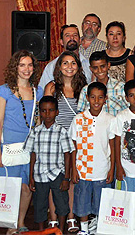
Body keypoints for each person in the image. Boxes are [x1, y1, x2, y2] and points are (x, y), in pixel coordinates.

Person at [0, 50, 43, 234]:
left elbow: (37, 123)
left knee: (27, 187)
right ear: (15, 67)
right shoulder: (4, 90)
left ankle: (20, 222)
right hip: (9, 147)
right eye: (22, 65)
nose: (26, 69)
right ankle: (10, 225)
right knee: (9, 188)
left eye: (30, 65)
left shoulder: (38, 91)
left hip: (29, 149)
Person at [43, 50, 87, 231]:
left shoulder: (83, 88)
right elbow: (44, 115)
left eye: (73, 63)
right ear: (59, 67)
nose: (69, 67)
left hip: (77, 142)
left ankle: (70, 218)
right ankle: (53, 218)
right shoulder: (52, 87)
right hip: (55, 141)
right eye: (65, 63)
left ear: (78, 66)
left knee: (70, 180)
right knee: (54, 181)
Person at [69, 82, 115, 235]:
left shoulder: (110, 119)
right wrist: (74, 170)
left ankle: (99, 228)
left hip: (103, 169)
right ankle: (84, 230)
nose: (96, 101)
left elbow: (112, 146)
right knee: (82, 201)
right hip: (83, 170)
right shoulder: (78, 119)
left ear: (105, 99)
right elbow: (73, 147)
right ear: (87, 98)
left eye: (100, 97)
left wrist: (112, 169)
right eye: (93, 97)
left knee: (102, 202)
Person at [24, 96, 73, 231]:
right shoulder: (35, 131)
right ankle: (41, 230)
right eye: (44, 111)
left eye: (51, 110)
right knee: (40, 204)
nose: (47, 114)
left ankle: (60, 230)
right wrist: (31, 177)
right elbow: (32, 154)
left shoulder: (61, 132)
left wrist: (66, 178)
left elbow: (67, 155)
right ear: (40, 112)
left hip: (57, 174)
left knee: (62, 203)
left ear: (57, 112)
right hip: (40, 175)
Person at [112, 80, 135, 192]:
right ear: (126, 98)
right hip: (125, 169)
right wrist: (118, 167)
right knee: (125, 203)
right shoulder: (121, 116)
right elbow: (117, 142)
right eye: (131, 95)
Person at [40, 24, 92, 89]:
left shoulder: (89, 64)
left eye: (75, 35)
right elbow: (43, 91)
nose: (72, 38)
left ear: (80, 41)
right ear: (61, 42)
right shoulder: (52, 66)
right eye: (67, 35)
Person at [78, 51, 127, 116]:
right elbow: (81, 115)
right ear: (91, 69)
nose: (100, 70)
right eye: (95, 68)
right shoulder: (86, 90)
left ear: (108, 65)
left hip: (116, 125)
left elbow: (128, 111)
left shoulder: (121, 87)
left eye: (102, 66)